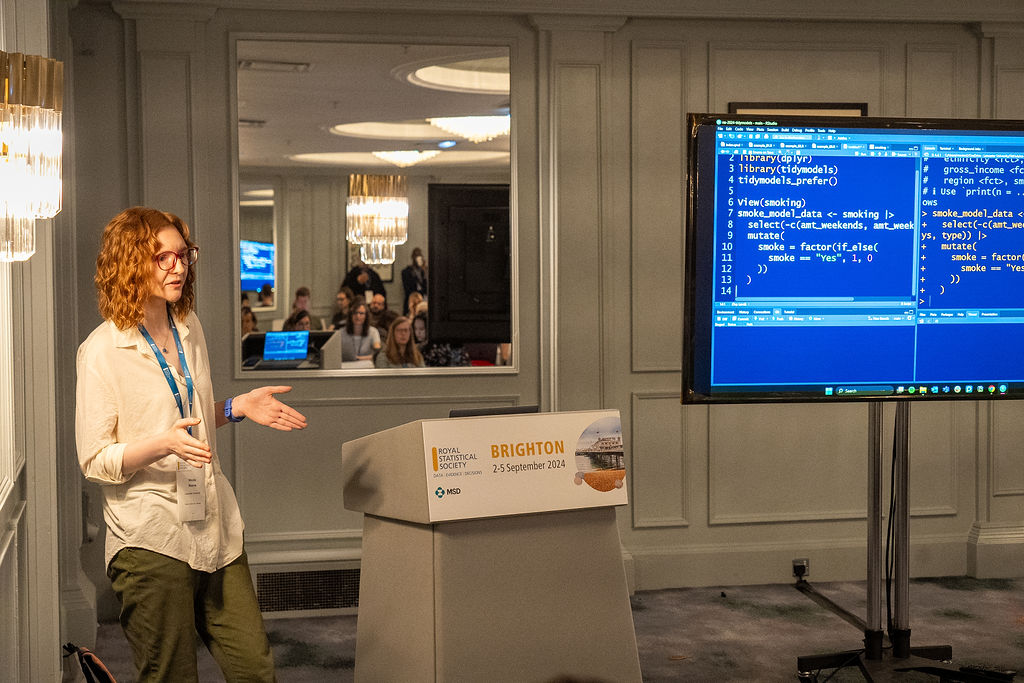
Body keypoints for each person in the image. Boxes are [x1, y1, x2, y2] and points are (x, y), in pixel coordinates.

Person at [76, 207, 308, 682]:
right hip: (150, 537)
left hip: (215, 524)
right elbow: (96, 460)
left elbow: (190, 424)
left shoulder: (189, 328)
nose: (178, 267)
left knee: (255, 669)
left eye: (182, 255)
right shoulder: (101, 351)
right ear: (129, 264)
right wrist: (160, 444)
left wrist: (234, 407)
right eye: (162, 258)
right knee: (171, 675)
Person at [339, 296, 380, 362]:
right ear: (350, 315)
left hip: (366, 367)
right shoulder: (341, 333)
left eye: (361, 313)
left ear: (366, 316)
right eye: (355, 313)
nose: (358, 316)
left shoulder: (373, 332)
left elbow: (378, 354)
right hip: (346, 367)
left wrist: (359, 358)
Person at [400, 247, 427, 314]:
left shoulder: (424, 271)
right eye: (416, 256)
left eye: (419, 256)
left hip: (423, 299)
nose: (418, 258)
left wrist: (424, 271)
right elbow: (407, 288)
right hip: (411, 299)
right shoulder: (406, 271)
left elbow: (427, 286)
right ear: (412, 257)